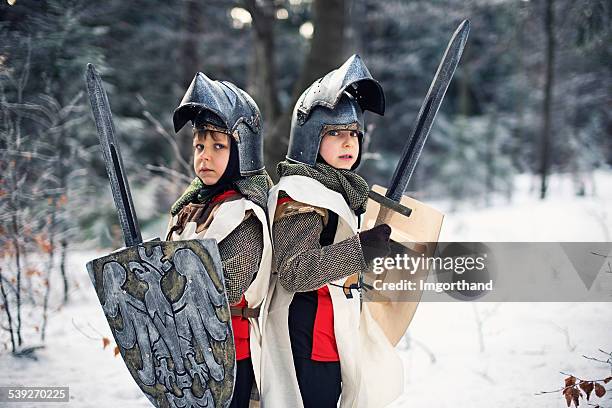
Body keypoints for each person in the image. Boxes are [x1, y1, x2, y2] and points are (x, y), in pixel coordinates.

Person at [260, 55, 404, 408]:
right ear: (310, 138)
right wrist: (360, 250)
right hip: (306, 341)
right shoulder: (301, 192)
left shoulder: (338, 189)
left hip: (332, 336)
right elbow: (295, 272)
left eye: (353, 134)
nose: (348, 143)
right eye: (335, 133)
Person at [166, 72, 272, 408]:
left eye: (218, 146)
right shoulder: (192, 205)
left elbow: (226, 285)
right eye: (199, 146)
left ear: (242, 150)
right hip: (187, 346)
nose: (205, 157)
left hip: (231, 354)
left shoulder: (246, 213)